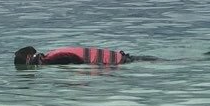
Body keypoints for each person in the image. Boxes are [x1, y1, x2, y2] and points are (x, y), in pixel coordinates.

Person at [14, 45, 157, 67]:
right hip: (119, 58)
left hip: (118, 61)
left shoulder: (51, 59)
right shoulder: (52, 55)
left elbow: (76, 60)